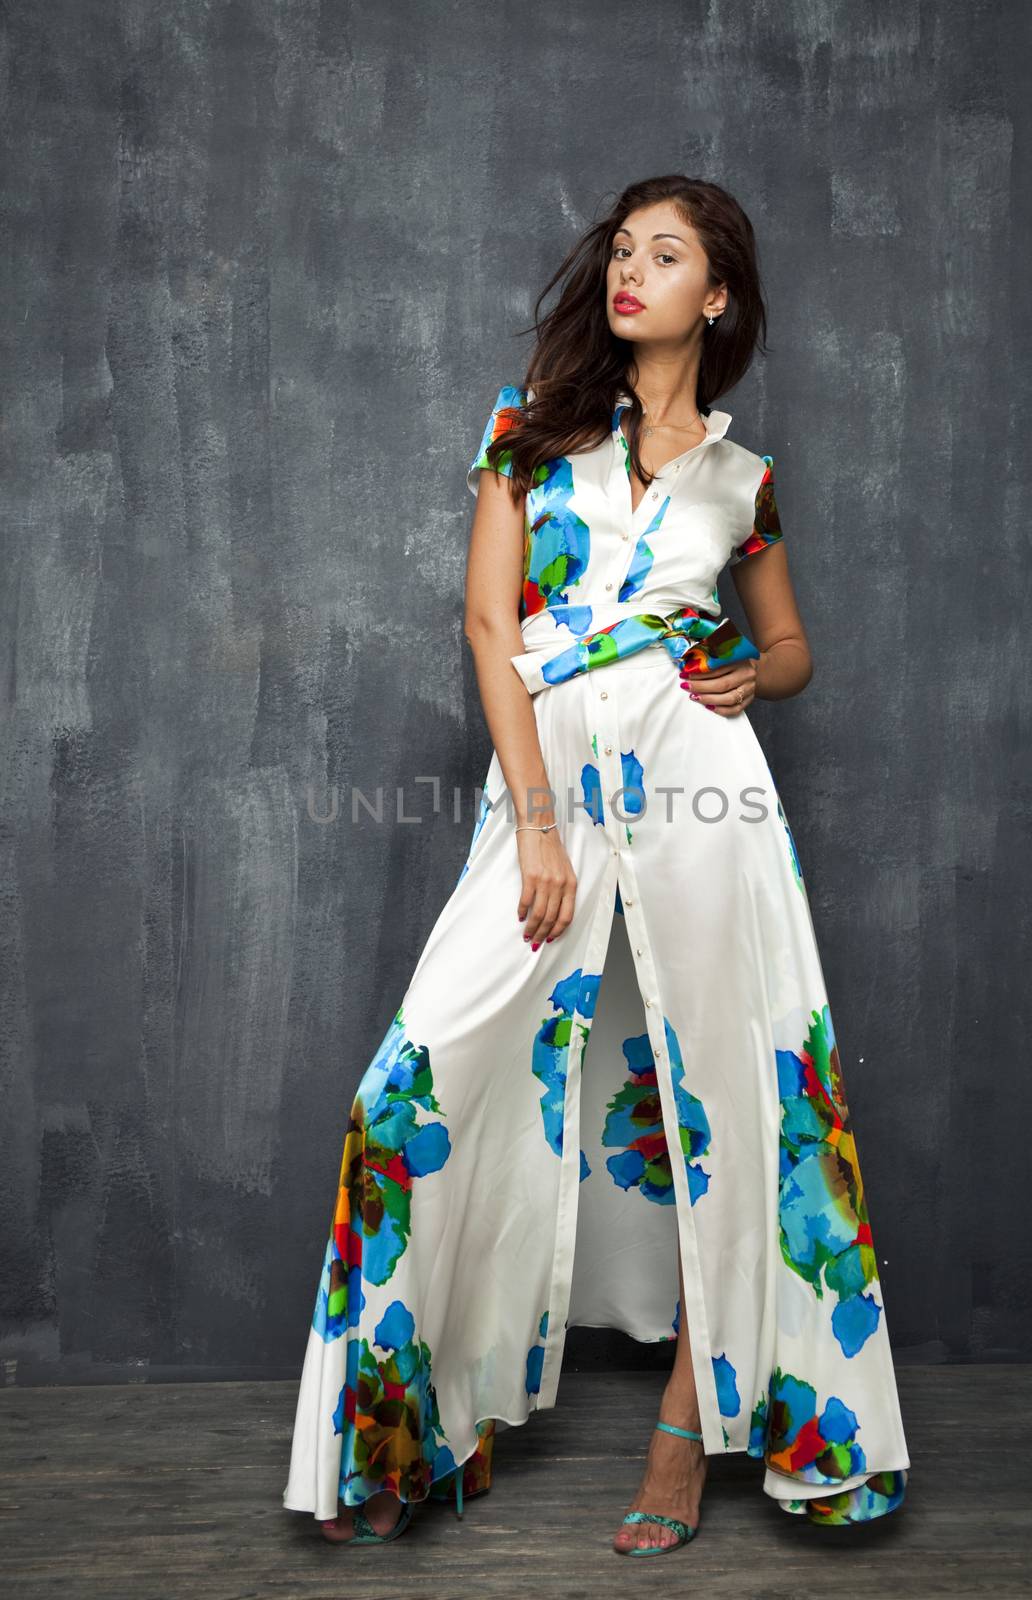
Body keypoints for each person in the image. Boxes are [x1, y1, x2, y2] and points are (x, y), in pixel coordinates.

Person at [282, 173, 910, 1557]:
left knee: (728, 1096)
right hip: (551, 791)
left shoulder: (742, 481)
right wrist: (538, 822)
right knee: (421, 1085)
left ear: (717, 293)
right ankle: (421, 1421)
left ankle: (687, 1437)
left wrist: (757, 670)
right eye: (623, 249)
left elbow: (793, 646)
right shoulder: (531, 427)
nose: (632, 271)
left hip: (705, 791)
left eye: (666, 254)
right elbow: (486, 622)